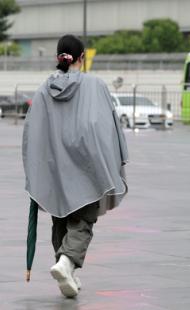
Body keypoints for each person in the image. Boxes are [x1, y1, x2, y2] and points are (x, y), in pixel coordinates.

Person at [22, 35, 128, 297]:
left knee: (61, 220)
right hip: (86, 169)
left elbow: (31, 132)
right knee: (82, 222)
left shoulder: (44, 89)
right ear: (82, 57)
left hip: (55, 170)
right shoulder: (95, 85)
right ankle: (66, 262)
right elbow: (106, 127)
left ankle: (67, 273)